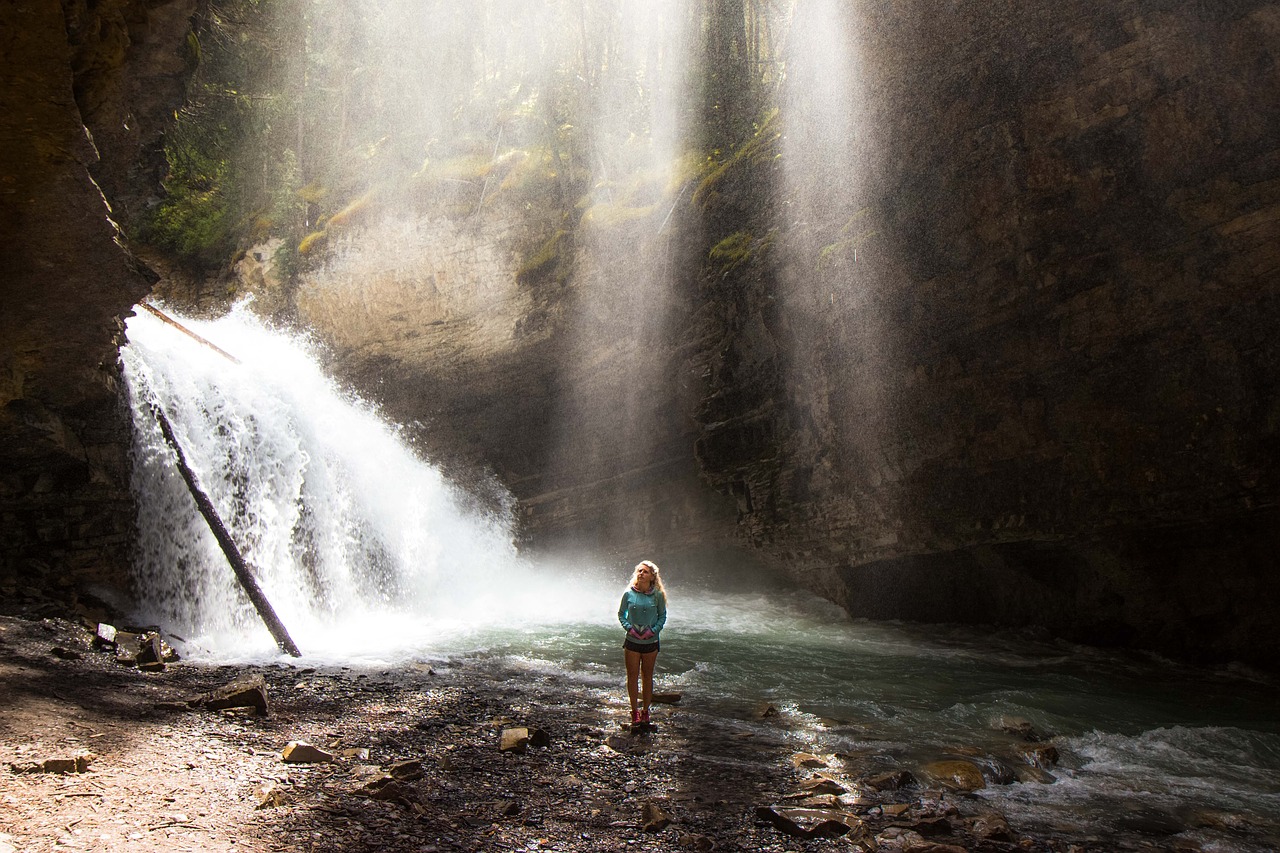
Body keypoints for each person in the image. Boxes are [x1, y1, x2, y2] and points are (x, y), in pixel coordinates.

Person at [618, 559, 667, 726]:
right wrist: (629, 628)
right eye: (639, 570)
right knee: (632, 677)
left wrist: (652, 631)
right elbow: (621, 614)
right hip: (631, 641)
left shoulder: (658, 596)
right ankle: (634, 712)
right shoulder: (628, 594)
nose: (641, 573)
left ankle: (645, 711)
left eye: (645, 571)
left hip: (651, 642)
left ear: (652, 576)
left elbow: (662, 617)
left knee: (647, 677)